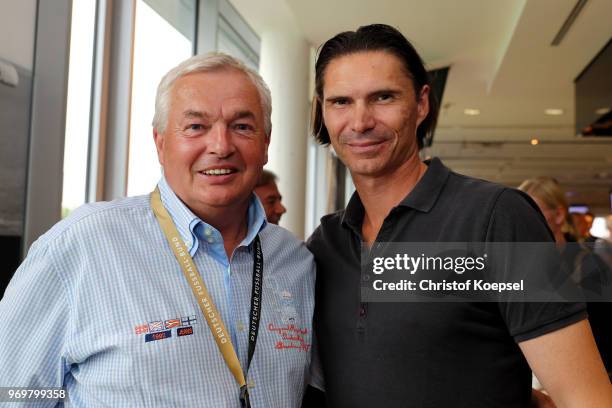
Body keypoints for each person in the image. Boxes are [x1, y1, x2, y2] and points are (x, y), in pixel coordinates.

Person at [307, 24, 612, 407]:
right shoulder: (326, 243)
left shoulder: (499, 217)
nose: (361, 121)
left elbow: (585, 397)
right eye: (341, 102)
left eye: (383, 97)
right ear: (322, 110)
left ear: (421, 104)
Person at [0, 53, 315, 407]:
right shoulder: (78, 247)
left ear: (266, 143)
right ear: (161, 143)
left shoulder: (296, 262)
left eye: (242, 126)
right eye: (196, 127)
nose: (221, 146)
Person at [519, 177, 612, 377]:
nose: (523, 221)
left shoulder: (589, 266)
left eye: (533, 212)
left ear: (559, 215)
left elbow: (603, 334)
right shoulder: (523, 265)